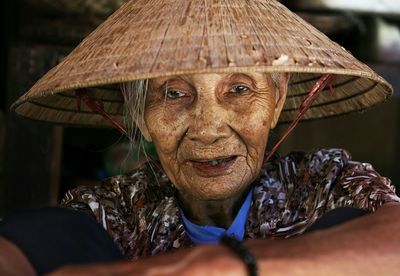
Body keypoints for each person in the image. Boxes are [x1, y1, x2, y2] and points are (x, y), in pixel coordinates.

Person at [1, 0, 400, 275]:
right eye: (174, 93)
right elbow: (32, 245)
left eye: (239, 89)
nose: (208, 128)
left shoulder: (324, 185)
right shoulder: (118, 212)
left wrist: (221, 266)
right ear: (141, 115)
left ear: (277, 101)